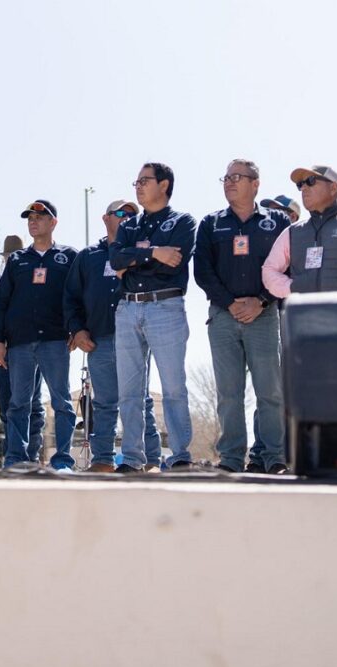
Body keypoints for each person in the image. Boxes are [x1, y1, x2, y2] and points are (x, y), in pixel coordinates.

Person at [194, 160, 290, 474]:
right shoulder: (211, 223)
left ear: (255, 184)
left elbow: (287, 267)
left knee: (270, 391)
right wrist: (229, 303)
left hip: (263, 316)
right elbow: (202, 271)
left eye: (237, 177)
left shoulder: (277, 221)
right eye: (226, 177)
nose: (229, 182)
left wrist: (261, 301)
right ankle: (232, 459)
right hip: (223, 317)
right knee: (228, 393)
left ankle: (274, 457)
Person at [64, 199, 163, 473]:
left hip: (136, 339)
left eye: (131, 214)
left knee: (140, 401)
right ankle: (103, 460)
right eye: (119, 213)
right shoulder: (88, 256)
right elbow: (71, 297)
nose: (126, 217)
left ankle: (150, 460)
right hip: (100, 340)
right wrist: (77, 330)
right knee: (104, 403)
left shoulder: (143, 252)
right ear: (105, 218)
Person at [109, 163, 197, 472]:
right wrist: (154, 253)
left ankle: (180, 456)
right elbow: (115, 259)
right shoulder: (129, 226)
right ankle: (132, 459)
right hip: (127, 308)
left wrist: (133, 262)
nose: (138, 186)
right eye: (136, 181)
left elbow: (173, 264)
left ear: (164, 185)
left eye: (144, 181)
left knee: (173, 388)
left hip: (166, 307)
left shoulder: (183, 221)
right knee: (129, 391)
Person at [0, 200, 79, 471]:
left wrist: (77, 328)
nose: (33, 221)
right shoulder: (17, 260)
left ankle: (62, 460)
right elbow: (2, 302)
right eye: (30, 218)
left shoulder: (69, 257)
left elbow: (77, 296)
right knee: (18, 403)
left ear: (53, 222)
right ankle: (16, 459)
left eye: (40, 217)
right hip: (20, 343)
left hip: (55, 340)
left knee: (62, 402)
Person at [262, 165, 337, 297]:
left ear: (333, 188)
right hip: (305, 310)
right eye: (300, 184)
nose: (303, 188)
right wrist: (292, 288)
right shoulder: (292, 232)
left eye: (311, 181)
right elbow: (269, 270)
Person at [0, 235, 45, 464]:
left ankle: (30, 455)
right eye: (7, 257)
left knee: (33, 404)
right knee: (7, 405)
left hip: (30, 347)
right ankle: (14, 455)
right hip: (4, 351)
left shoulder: (30, 281)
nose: (10, 260)